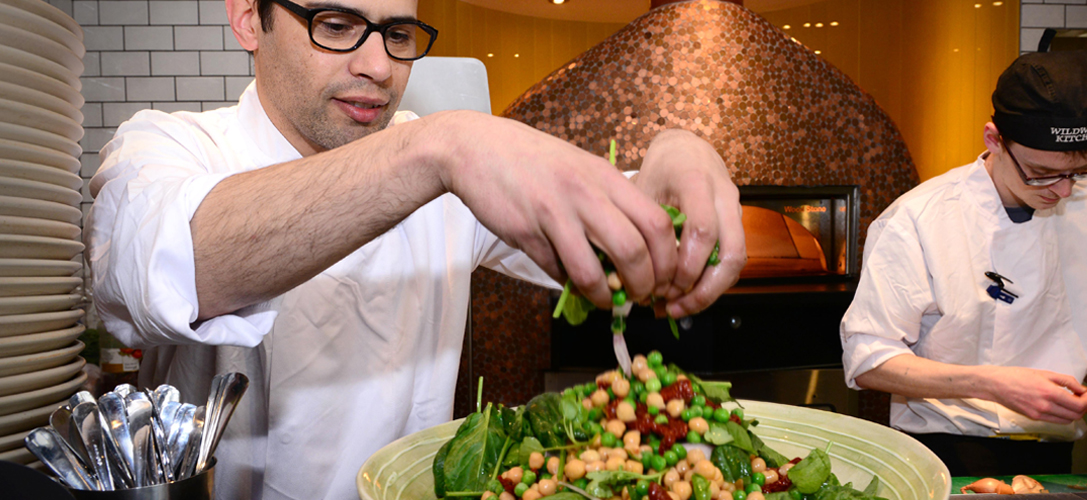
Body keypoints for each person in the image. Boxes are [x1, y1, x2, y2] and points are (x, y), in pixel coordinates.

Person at [82, 0, 747, 497]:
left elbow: (625, 232)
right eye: (335, 25)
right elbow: (170, 264)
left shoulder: (447, 163)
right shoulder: (167, 146)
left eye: (397, 35)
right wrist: (437, 147)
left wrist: (680, 150)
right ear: (249, 18)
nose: (377, 66)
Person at [840, 50, 1087, 477]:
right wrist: (993, 383)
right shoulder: (919, 219)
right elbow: (868, 358)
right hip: (944, 451)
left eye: (1082, 171)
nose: (1061, 191)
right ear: (994, 139)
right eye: (1040, 173)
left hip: (1054, 453)